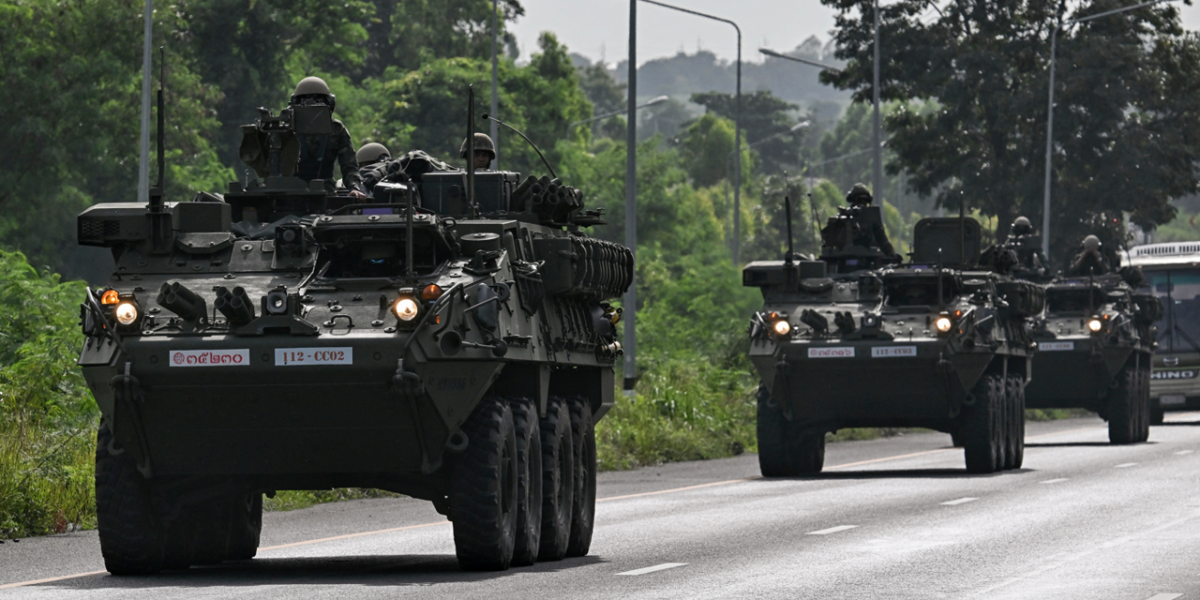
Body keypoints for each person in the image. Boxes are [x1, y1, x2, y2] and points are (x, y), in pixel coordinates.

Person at [289, 76, 366, 198]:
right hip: (290, 194)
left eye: (318, 102)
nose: (312, 105)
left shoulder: (336, 129)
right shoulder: (287, 129)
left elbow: (349, 165)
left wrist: (354, 187)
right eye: (306, 102)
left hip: (326, 194)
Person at [822, 183, 897, 257]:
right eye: (860, 199)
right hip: (846, 259)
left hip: (869, 258)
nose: (862, 203)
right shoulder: (843, 218)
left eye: (864, 200)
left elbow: (883, 241)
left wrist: (892, 256)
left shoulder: (871, 218)